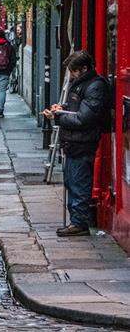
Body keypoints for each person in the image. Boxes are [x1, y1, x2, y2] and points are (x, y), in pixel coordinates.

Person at [43, 51, 109, 237]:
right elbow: (75, 109)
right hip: (73, 142)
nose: (71, 75)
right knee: (71, 181)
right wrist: (61, 109)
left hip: (83, 141)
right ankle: (76, 220)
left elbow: (83, 119)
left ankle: (79, 223)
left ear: (84, 69)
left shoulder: (95, 86)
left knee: (79, 182)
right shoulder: (81, 84)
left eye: (74, 71)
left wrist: (59, 117)